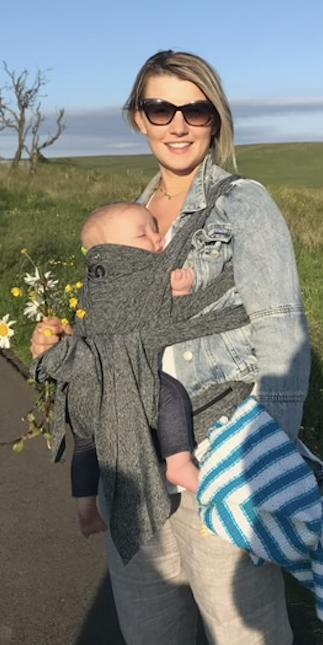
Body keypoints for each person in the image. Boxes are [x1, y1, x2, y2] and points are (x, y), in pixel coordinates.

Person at [31, 49, 312, 645]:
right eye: (161, 107)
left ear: (216, 119)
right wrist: (62, 345)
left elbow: (282, 332)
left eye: (196, 109)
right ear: (139, 118)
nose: (178, 124)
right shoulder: (123, 218)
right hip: (126, 464)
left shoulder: (244, 204)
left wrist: (267, 464)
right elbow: (111, 334)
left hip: (215, 459)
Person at [72, 200, 208, 539]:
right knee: (170, 393)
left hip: (87, 384)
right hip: (123, 376)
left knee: (85, 443)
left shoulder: (94, 284)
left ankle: (85, 507)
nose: (157, 238)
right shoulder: (138, 277)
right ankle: (178, 463)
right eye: (142, 234)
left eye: (155, 228)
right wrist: (179, 291)